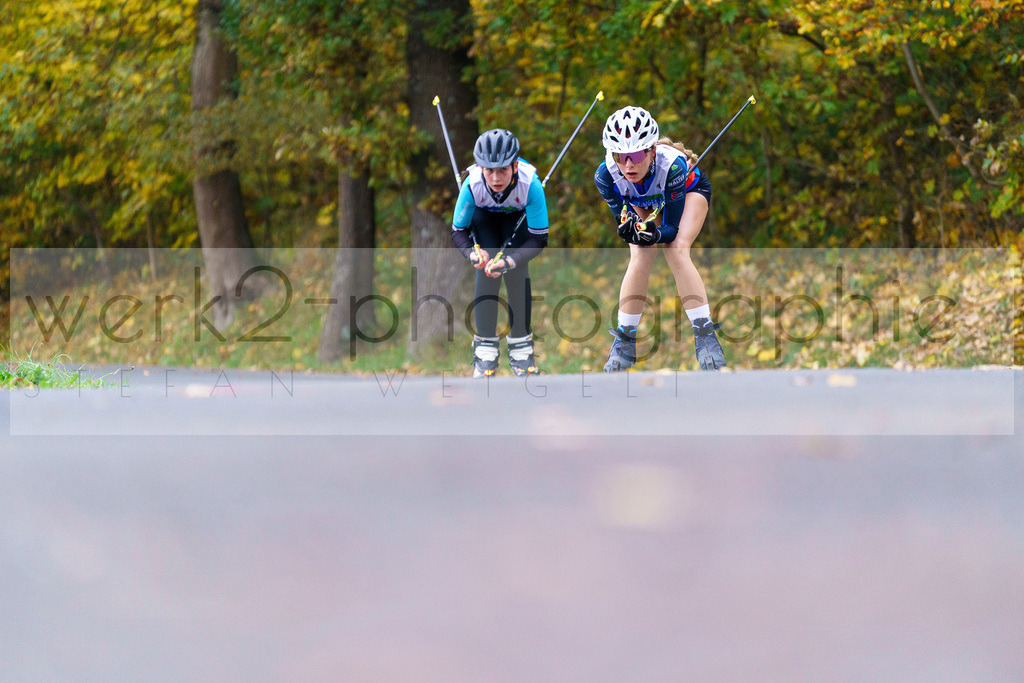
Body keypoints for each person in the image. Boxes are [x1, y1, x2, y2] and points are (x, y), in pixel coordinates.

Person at [594, 106, 726, 372]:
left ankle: (705, 335)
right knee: (641, 253)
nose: (628, 164)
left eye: (636, 154)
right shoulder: (606, 176)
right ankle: (624, 340)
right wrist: (635, 231)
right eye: (620, 155)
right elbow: (627, 221)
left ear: (651, 150)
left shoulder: (674, 167)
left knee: (675, 248)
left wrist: (653, 233)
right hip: (642, 199)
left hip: (688, 190)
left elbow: (671, 229)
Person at [450, 129, 549, 378]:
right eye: (489, 170)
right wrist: (472, 254)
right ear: (479, 168)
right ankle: (485, 351)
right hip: (485, 218)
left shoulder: (531, 185)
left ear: (515, 166)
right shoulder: (471, 185)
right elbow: (458, 232)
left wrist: (510, 261)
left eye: (503, 170)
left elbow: (539, 238)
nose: (495, 178)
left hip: (517, 217)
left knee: (516, 269)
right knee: (487, 268)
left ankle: (521, 349)